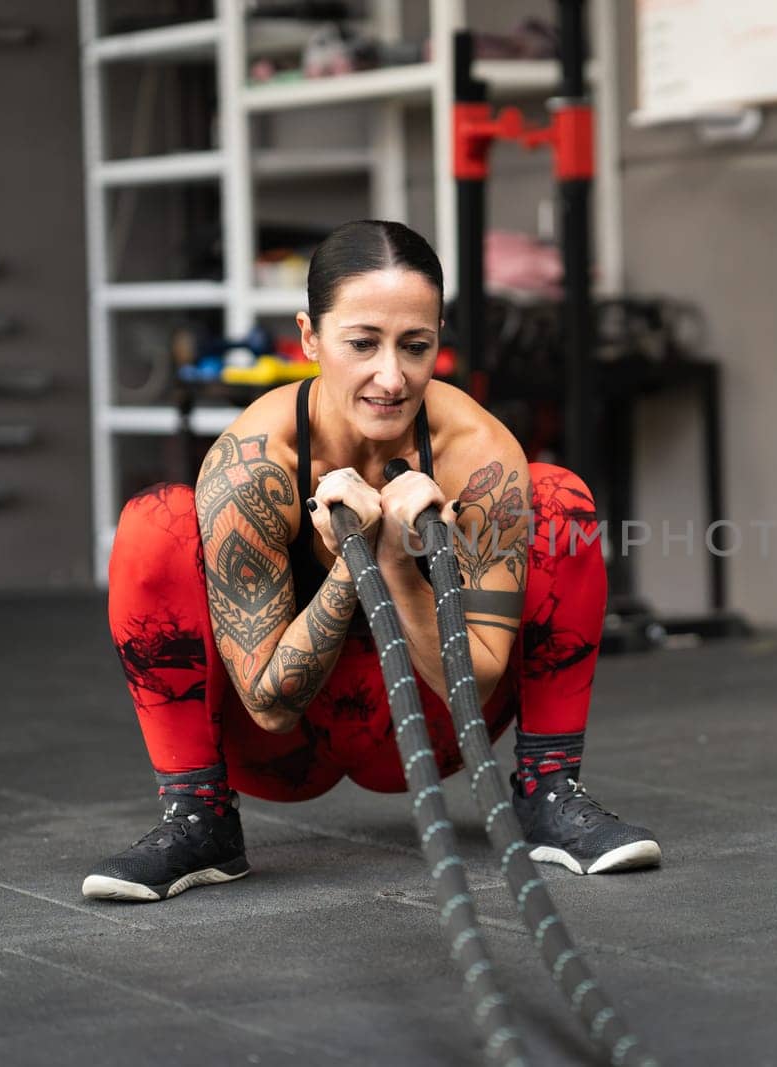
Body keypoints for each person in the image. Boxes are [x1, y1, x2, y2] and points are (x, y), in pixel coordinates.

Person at [84, 219, 660, 902]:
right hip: (283, 744)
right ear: (309, 338)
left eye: (414, 345)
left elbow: (474, 688)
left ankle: (548, 790)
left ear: (437, 340)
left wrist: (390, 560)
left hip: (432, 725)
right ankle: (199, 816)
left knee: (561, 497)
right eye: (362, 343)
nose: (391, 376)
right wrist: (343, 566)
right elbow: (268, 706)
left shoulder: (475, 449)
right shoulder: (255, 463)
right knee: (156, 522)